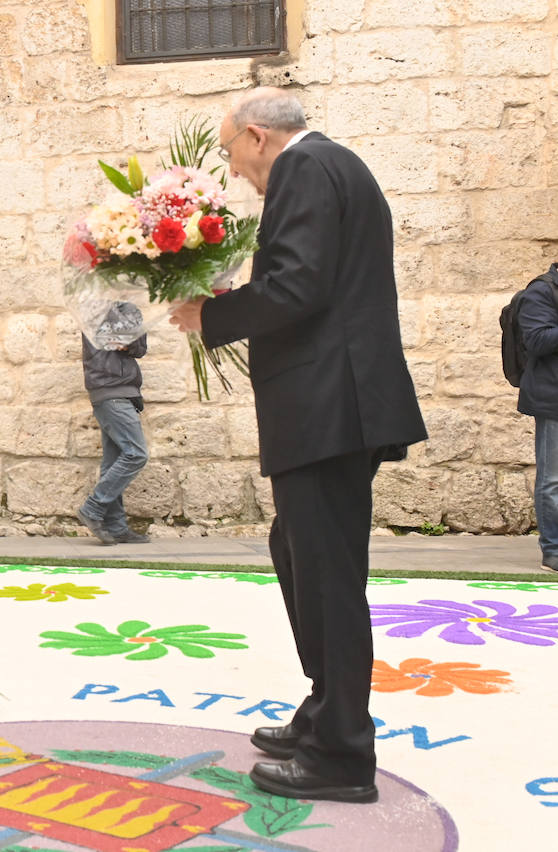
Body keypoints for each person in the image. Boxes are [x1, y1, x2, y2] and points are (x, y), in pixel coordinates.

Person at [169, 88, 427, 804]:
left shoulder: (305, 170)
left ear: (257, 137)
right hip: (334, 406)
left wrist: (210, 312)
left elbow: (298, 287)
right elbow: (314, 281)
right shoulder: (336, 166)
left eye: (229, 152)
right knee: (301, 557)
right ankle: (323, 711)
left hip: (327, 407)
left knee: (328, 578)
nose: (234, 169)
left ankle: (342, 754)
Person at [77, 302, 151, 545]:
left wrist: (131, 337)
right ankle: (93, 508)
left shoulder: (122, 306)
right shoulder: (97, 306)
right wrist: (130, 336)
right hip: (110, 390)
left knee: (114, 461)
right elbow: (124, 338)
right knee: (136, 453)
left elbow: (138, 347)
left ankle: (116, 526)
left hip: (119, 390)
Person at [516, 263, 558, 574]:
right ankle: (553, 551)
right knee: (553, 480)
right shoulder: (541, 291)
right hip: (552, 399)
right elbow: (537, 340)